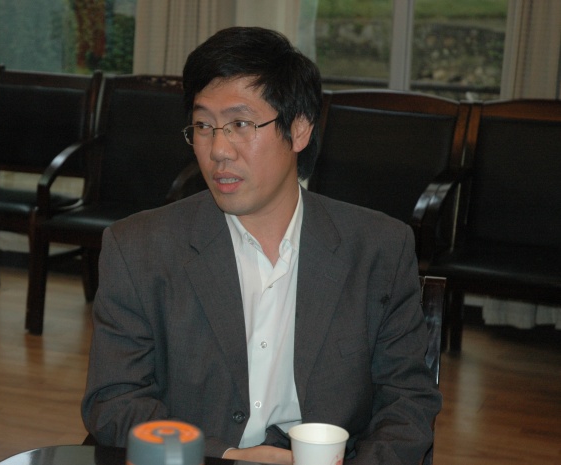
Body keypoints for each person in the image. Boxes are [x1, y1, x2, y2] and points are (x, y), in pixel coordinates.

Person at [81, 26, 441, 465]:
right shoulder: (138, 249)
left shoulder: (379, 248)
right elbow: (115, 401)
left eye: (240, 124)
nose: (218, 150)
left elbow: (407, 401)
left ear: (300, 129)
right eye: (203, 126)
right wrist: (225, 455)